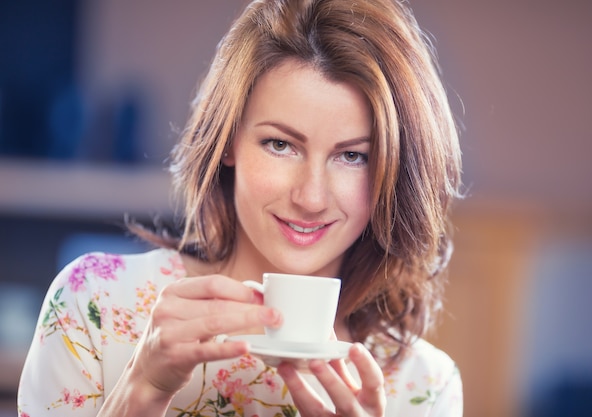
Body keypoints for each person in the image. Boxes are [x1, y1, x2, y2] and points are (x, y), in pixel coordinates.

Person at [18, 0, 464, 415]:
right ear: (228, 141)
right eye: (280, 144)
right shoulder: (96, 303)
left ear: (395, 171)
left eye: (353, 156)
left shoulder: (423, 385)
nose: (310, 198)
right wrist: (143, 390)